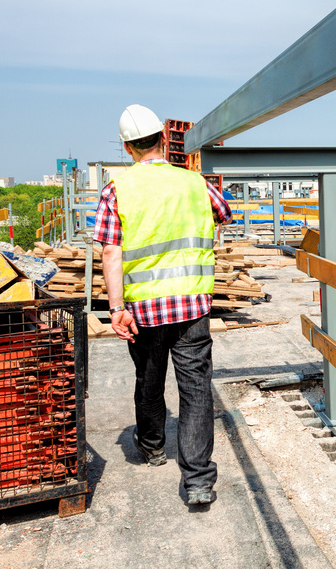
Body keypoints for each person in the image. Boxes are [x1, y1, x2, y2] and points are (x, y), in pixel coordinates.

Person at [94, 104, 231, 507]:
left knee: (149, 380)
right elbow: (223, 212)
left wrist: (116, 307)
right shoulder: (193, 183)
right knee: (195, 389)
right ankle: (198, 480)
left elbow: (110, 252)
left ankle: (153, 446)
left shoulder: (116, 189)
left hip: (143, 310)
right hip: (192, 306)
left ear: (126, 147)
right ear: (164, 139)